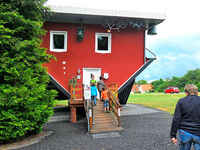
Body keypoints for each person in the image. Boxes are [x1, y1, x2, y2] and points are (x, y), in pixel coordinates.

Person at [170, 84, 200, 150]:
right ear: (197, 92)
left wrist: (173, 135)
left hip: (184, 132)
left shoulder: (181, 101)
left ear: (186, 93)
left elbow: (176, 119)